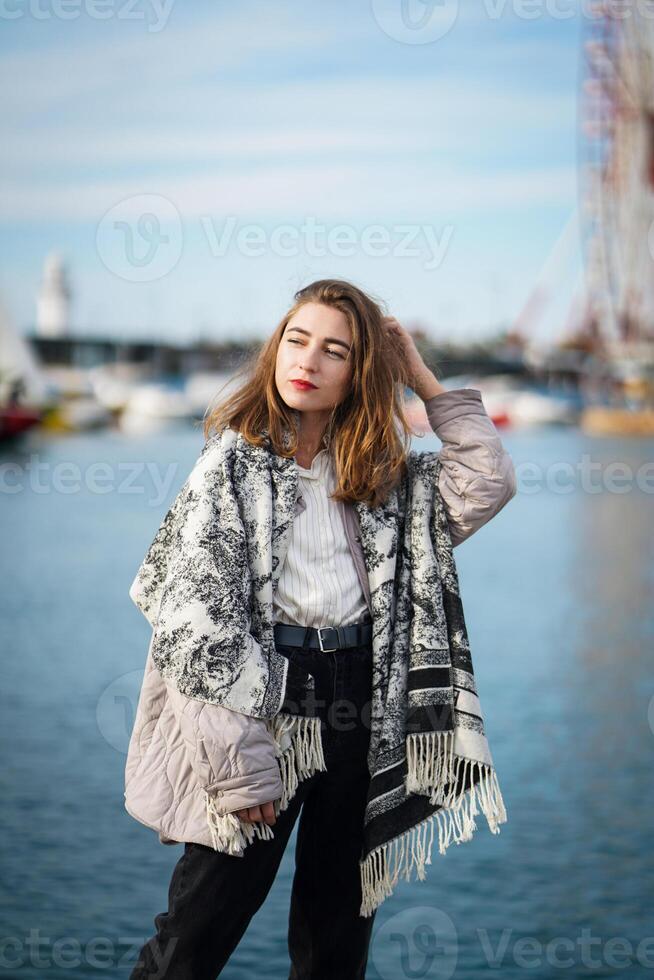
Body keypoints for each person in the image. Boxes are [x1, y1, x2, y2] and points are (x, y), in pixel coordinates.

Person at [125, 278, 517, 979]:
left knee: (337, 938)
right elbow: (196, 627)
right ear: (276, 349)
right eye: (297, 340)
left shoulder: (382, 475)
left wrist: (422, 378)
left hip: (361, 698)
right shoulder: (231, 465)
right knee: (197, 933)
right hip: (267, 701)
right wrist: (241, 769)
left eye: (334, 350)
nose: (307, 359)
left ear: (359, 373)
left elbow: (486, 481)